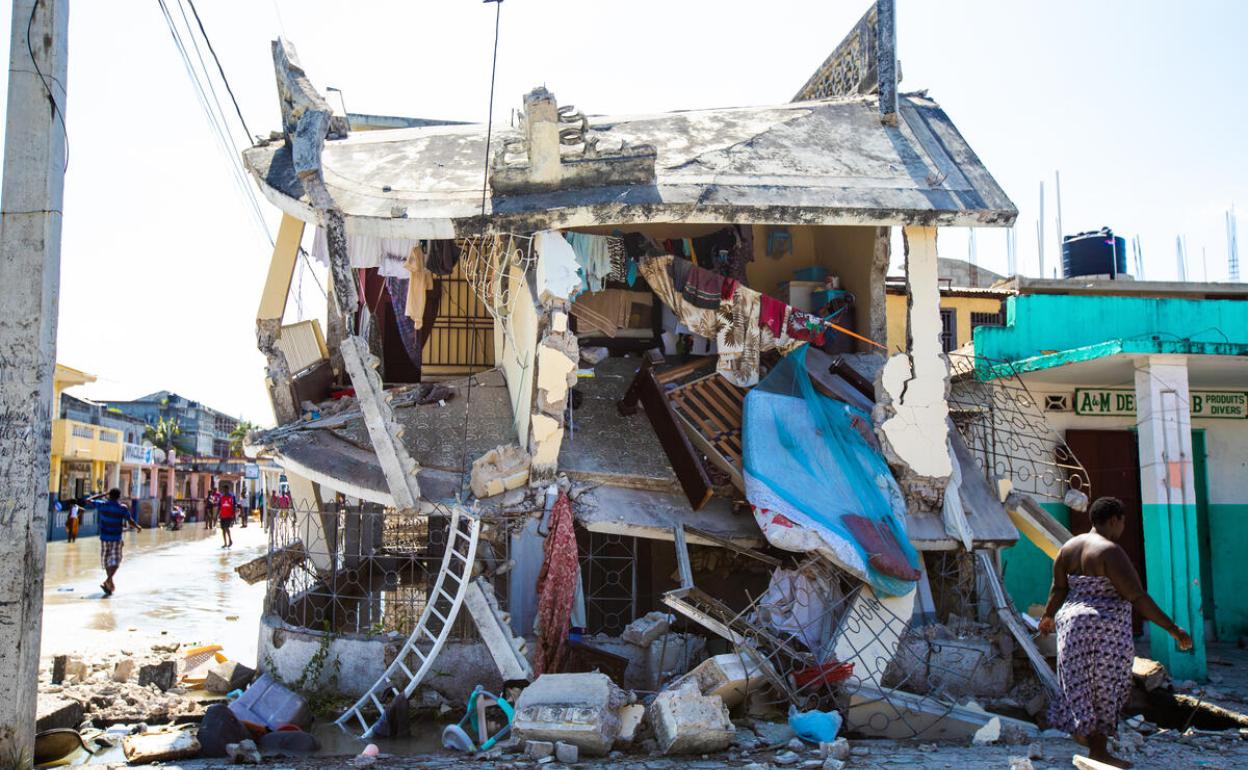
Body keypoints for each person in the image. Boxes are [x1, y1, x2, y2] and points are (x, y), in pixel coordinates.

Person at [1039, 496, 1193, 769]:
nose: (1122, 528)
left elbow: (1059, 588)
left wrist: (1048, 615)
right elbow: (1136, 596)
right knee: (1105, 689)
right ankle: (1099, 751)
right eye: (1122, 522)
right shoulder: (1110, 551)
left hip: (1072, 626)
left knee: (1080, 687)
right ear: (1114, 520)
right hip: (1104, 629)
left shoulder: (1068, 548)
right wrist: (1172, 628)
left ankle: (1084, 733)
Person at [94, 488, 141, 596]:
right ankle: (109, 580)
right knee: (116, 561)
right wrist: (138, 527)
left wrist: (102, 495)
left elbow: (88, 501)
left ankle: (109, 585)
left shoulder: (102, 505)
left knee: (107, 562)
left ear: (109, 496)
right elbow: (130, 521)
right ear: (119, 497)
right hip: (115, 538)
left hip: (104, 538)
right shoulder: (122, 508)